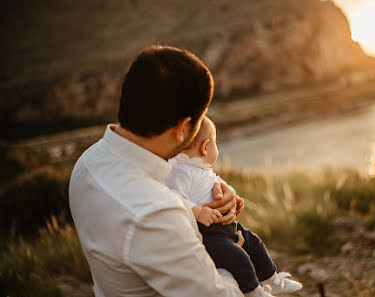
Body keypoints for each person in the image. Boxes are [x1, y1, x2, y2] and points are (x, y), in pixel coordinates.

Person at [69, 45, 256, 297]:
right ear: (182, 128)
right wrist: (235, 258)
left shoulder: (88, 163)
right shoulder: (156, 214)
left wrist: (206, 200)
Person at [165, 117, 303, 296]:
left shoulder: (200, 168)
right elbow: (175, 197)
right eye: (216, 144)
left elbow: (217, 182)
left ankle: (271, 279)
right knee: (237, 256)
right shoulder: (181, 171)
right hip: (208, 233)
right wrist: (197, 211)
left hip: (225, 226)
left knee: (254, 242)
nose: (217, 149)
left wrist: (233, 195)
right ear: (205, 147)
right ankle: (254, 291)